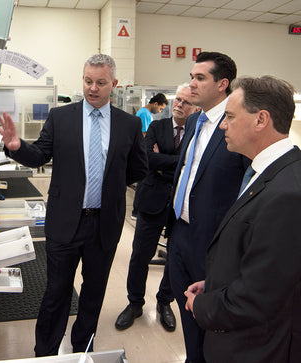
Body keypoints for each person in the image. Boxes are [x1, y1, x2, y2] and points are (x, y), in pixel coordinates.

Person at [0, 54, 147, 357]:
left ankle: (83, 350)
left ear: (114, 85)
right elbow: (39, 155)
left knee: (93, 294)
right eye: (88, 81)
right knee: (56, 292)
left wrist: (109, 186)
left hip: (104, 224)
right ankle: (46, 352)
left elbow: (137, 169)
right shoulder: (61, 117)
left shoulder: (128, 125)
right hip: (65, 221)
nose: (93, 88)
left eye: (101, 83)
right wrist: (16, 147)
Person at [184, 75, 301, 363]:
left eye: (231, 117)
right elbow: (259, 259)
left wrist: (202, 305)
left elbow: (259, 297)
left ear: (261, 119)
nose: (223, 125)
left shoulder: (287, 194)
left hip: (256, 348)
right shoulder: (264, 173)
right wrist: (214, 284)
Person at [168, 51, 249, 363]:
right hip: (179, 233)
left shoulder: (234, 127)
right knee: (187, 314)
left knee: (212, 322)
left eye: (200, 78)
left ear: (222, 84)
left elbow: (246, 188)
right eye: (192, 77)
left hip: (212, 243)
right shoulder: (193, 122)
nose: (192, 84)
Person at [115, 83, 198, 332]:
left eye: (186, 102)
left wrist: (167, 163)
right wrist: (178, 164)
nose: (179, 105)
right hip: (152, 200)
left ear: (195, 107)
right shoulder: (156, 126)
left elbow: (193, 164)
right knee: (140, 255)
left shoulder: (197, 133)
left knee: (176, 258)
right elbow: (147, 159)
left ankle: (165, 303)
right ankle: (135, 303)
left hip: (180, 205)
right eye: (177, 100)